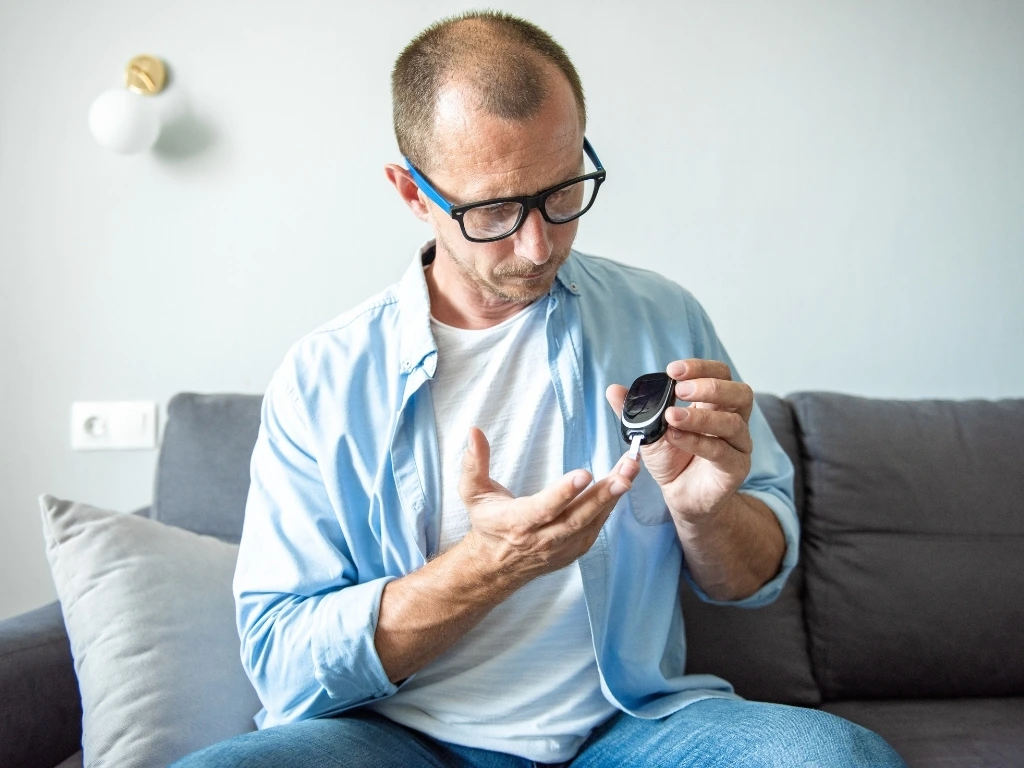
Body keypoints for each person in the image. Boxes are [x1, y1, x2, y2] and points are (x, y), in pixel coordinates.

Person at [174, 11, 905, 768]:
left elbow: (751, 581)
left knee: (841, 759)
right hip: (394, 739)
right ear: (411, 191)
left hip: (629, 730)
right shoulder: (323, 379)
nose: (539, 244)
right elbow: (281, 660)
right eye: (494, 210)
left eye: (563, 192)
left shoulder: (663, 317)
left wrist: (710, 517)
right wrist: (489, 566)